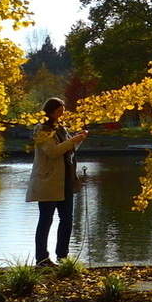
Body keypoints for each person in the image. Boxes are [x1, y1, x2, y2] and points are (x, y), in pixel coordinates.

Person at [26, 97, 88, 266]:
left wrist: (78, 139)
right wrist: (72, 141)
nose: (61, 114)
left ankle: (62, 256)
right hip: (48, 182)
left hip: (66, 182)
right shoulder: (42, 129)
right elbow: (52, 152)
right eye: (58, 111)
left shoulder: (61, 128)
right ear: (50, 111)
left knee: (67, 219)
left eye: (62, 111)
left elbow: (69, 150)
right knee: (46, 220)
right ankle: (42, 259)